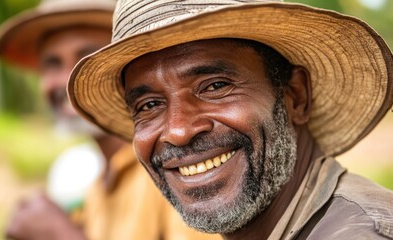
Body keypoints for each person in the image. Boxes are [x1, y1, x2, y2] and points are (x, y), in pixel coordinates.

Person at [67, 0, 393, 239]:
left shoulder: (359, 232)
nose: (179, 131)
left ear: (296, 96)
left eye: (215, 86)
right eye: (149, 104)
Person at [0, 0, 221, 240]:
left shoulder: (178, 167)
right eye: (53, 63)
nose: (67, 80)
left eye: (85, 60)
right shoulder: (97, 186)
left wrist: (60, 235)